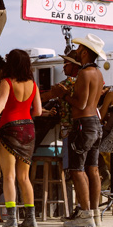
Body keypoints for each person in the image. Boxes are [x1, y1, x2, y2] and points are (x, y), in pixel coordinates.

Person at [0, 49, 42, 227]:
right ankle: (30, 219)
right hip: (28, 130)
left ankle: (11, 219)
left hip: (9, 129)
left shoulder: (7, 82)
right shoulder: (33, 84)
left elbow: (1, 104)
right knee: (24, 177)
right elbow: (37, 111)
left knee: (9, 176)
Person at [63, 34, 107, 227]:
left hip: (83, 123)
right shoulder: (98, 73)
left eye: (80, 49)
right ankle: (95, 212)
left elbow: (80, 104)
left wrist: (64, 94)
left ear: (86, 52)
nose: (78, 51)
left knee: (78, 170)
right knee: (93, 169)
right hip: (95, 124)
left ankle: (84, 213)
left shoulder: (84, 73)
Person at [41, 47, 81, 217]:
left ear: (74, 66)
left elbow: (45, 97)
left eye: (66, 64)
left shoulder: (67, 84)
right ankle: (82, 208)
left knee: (73, 170)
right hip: (82, 129)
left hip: (69, 130)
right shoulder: (83, 82)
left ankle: (77, 209)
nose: (63, 67)